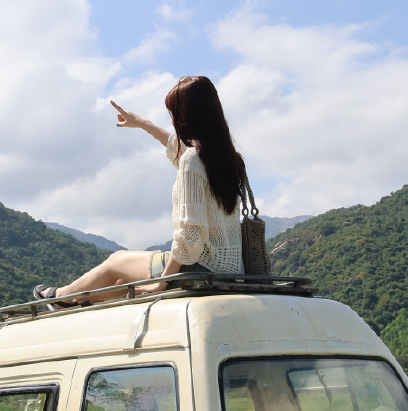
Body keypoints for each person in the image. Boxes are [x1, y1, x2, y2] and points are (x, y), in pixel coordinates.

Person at [33, 75, 247, 307]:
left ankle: (60, 296)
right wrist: (143, 123)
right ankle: (77, 301)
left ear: (186, 116)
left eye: (174, 113)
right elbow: (180, 148)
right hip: (229, 269)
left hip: (199, 268)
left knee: (117, 260)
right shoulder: (230, 159)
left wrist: (162, 282)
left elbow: (190, 235)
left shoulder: (192, 161)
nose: (174, 119)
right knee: (121, 277)